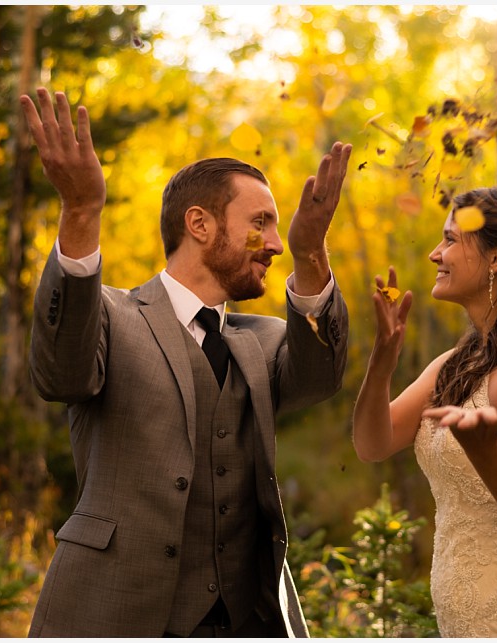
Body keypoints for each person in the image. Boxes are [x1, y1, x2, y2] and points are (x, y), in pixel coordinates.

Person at [20, 87, 351, 637]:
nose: (274, 243)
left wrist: (313, 251)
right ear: (199, 225)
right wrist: (80, 212)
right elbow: (59, 375)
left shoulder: (263, 340)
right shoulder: (109, 315)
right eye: (261, 222)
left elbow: (321, 376)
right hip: (118, 613)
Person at [352, 186, 497, 637]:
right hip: (463, 623)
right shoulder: (454, 363)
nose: (433, 254)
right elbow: (371, 444)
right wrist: (381, 364)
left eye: (450, 240)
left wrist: (484, 449)